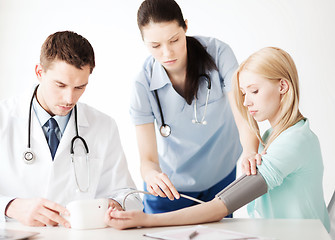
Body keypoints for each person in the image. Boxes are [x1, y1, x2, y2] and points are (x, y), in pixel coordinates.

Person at [105, 47, 330, 232]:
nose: (246, 102)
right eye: (243, 93)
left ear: (283, 86)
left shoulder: (293, 142)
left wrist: (146, 219)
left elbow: (220, 207)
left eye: (254, 91)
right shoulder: (273, 137)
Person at [0, 31, 142, 228]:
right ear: (39, 73)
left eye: (80, 87)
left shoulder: (103, 126)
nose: (69, 99)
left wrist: (117, 204)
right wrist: (10, 207)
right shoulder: (4, 118)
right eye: (60, 85)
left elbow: (128, 194)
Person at [130, 0, 259, 214]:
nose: (167, 53)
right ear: (143, 41)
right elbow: (148, 160)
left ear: (186, 27)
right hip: (170, 188)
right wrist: (152, 175)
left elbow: (242, 110)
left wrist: (250, 150)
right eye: (155, 46)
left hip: (221, 175)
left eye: (174, 40)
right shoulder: (142, 85)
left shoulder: (218, 54)